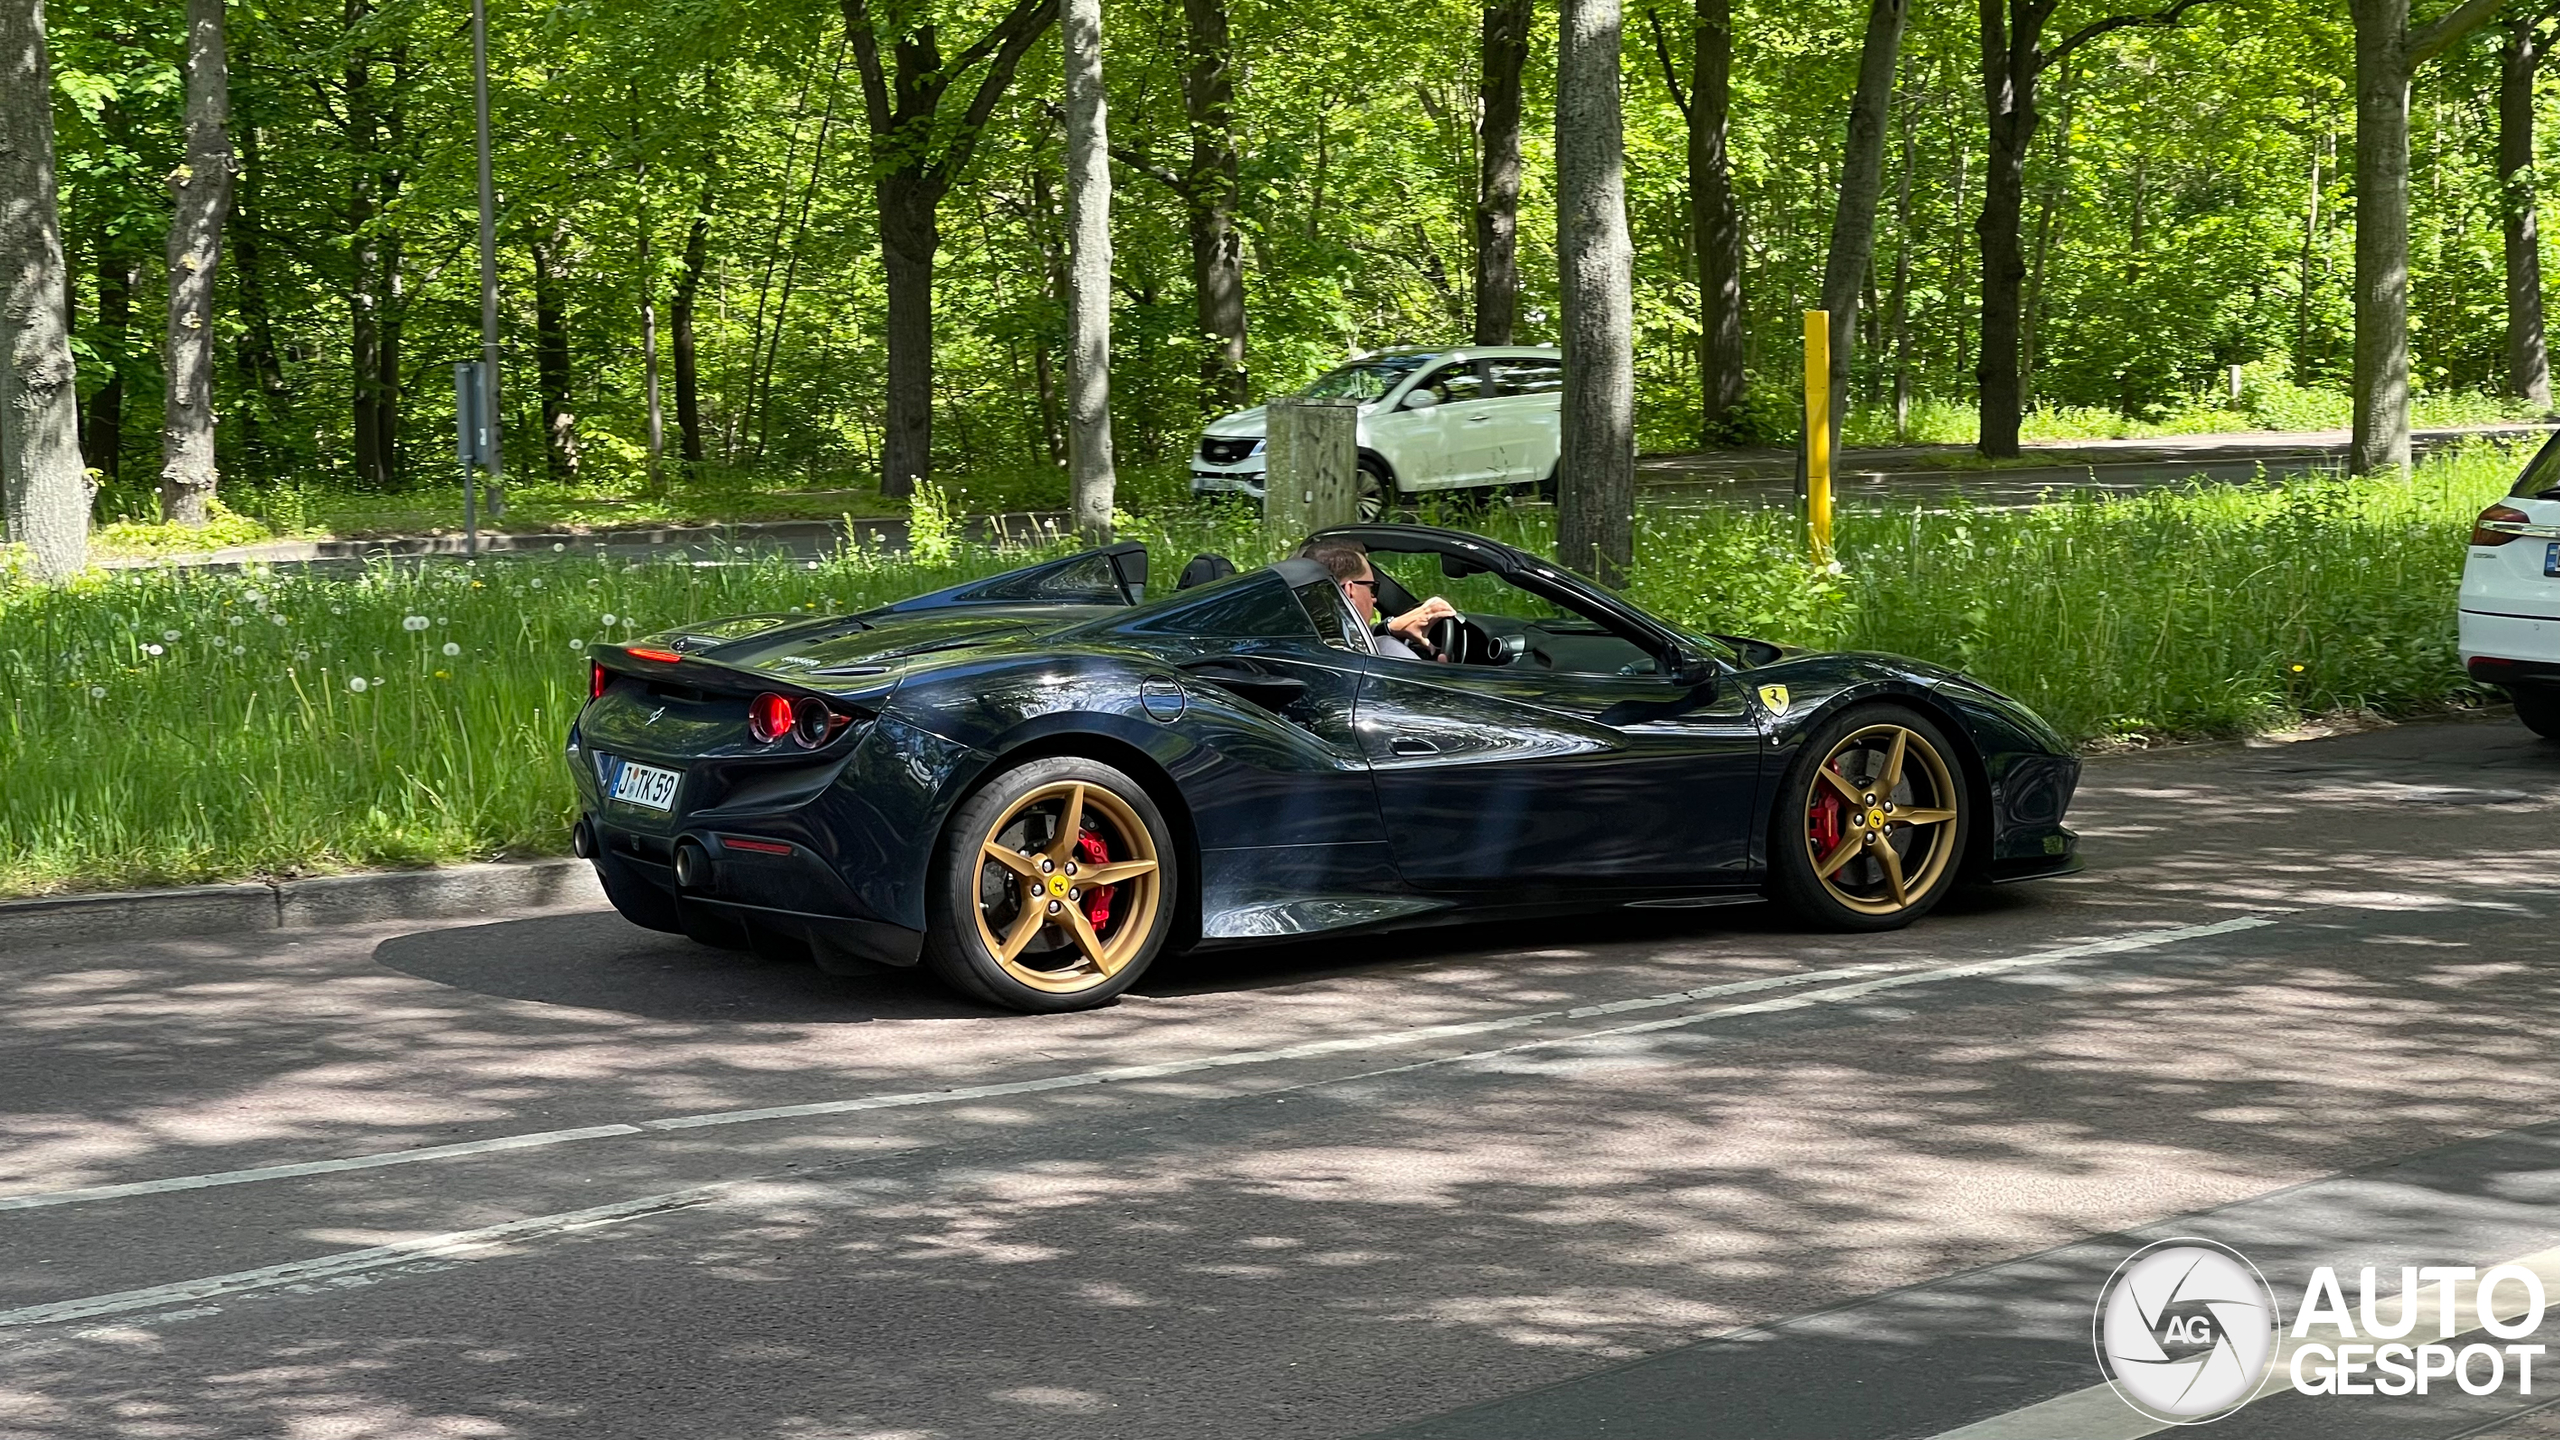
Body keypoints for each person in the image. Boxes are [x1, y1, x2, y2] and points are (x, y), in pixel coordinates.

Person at [1292, 537, 1457, 661]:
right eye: (1372, 588)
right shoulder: (1387, 651)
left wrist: (1388, 628)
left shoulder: (1292, 643)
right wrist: (1441, 675)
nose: (1374, 599)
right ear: (1350, 592)